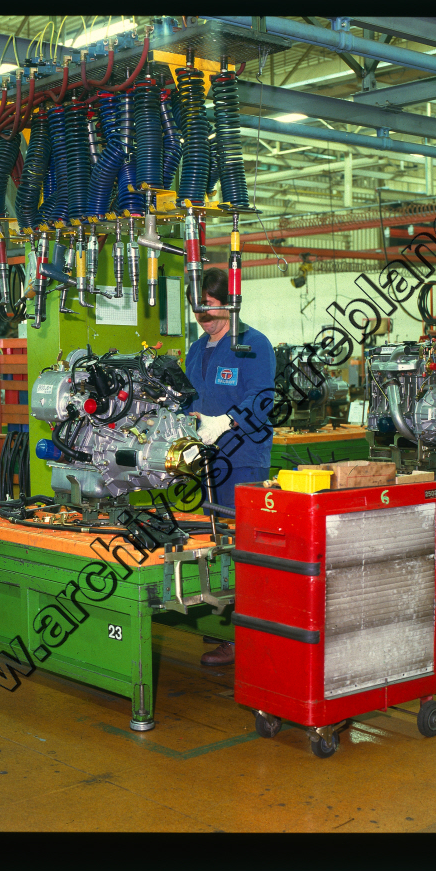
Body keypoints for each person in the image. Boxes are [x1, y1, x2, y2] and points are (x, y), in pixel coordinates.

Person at [183, 268, 276, 666]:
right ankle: (221, 624)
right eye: (197, 308)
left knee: (241, 546)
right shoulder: (195, 349)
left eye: (209, 306)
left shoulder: (254, 344)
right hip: (204, 461)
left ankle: (244, 638)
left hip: (242, 460)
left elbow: (262, 399)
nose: (203, 315)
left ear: (230, 304)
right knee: (211, 542)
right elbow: (188, 397)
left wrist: (225, 422)